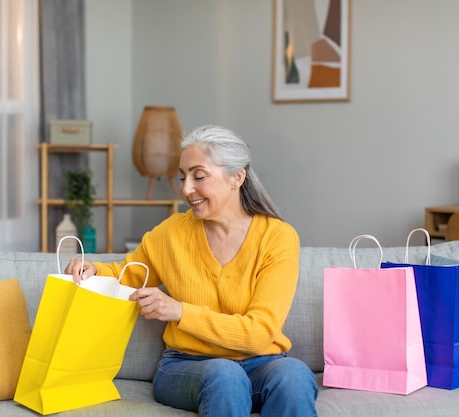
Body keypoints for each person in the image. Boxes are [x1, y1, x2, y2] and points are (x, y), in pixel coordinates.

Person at [65, 125, 318, 417]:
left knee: (295, 375)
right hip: (186, 366)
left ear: (237, 177)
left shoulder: (277, 237)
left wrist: (180, 312)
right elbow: (128, 273)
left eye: (199, 176)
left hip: (263, 363)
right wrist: (92, 269)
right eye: (183, 177)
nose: (186, 189)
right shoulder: (172, 233)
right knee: (225, 375)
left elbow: (260, 333)